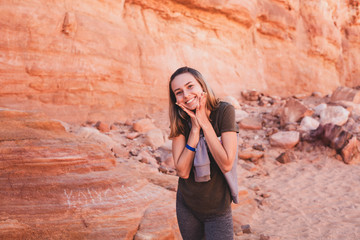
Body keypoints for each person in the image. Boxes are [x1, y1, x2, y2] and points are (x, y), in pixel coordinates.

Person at [168, 66, 239, 240]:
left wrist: (204, 123)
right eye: (178, 92)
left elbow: (227, 163)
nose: (186, 95)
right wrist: (194, 130)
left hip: (218, 208)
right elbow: (182, 171)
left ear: (202, 85)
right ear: (175, 99)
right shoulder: (180, 121)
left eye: (190, 86)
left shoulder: (224, 111)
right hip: (187, 205)